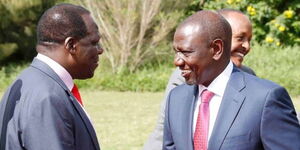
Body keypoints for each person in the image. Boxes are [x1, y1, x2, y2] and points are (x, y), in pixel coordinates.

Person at [163, 10, 300, 150]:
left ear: (216, 49)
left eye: (186, 52)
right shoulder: (176, 98)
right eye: (176, 52)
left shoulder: (265, 99)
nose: (177, 61)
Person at [143, 9, 256, 150]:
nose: (247, 46)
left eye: (249, 40)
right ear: (218, 44)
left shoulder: (251, 79)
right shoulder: (189, 75)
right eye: (240, 38)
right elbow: (171, 131)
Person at [0, 3, 103, 150]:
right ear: (72, 45)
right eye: (94, 42)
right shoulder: (48, 97)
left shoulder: (31, 80)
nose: (100, 50)